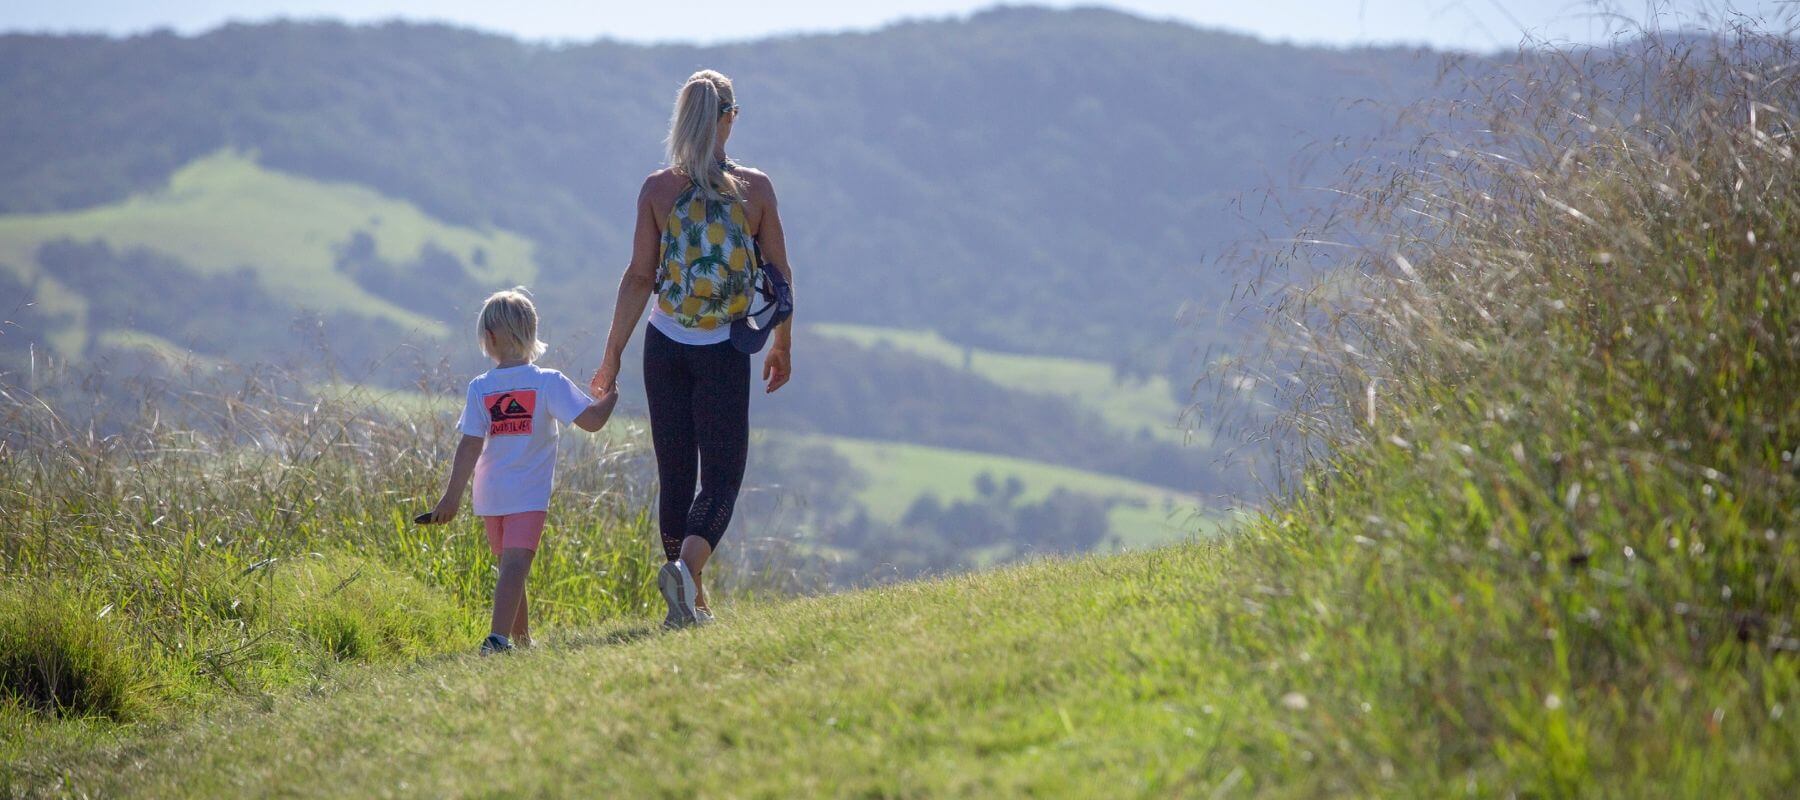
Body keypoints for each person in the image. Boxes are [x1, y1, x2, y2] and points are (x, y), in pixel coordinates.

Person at [590, 69, 795, 629]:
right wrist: (782, 343)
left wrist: (611, 356)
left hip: (664, 345)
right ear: (728, 118)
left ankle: (689, 603)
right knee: (723, 475)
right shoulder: (755, 189)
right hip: (724, 348)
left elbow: (637, 278)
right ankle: (687, 572)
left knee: (675, 475)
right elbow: (779, 275)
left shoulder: (657, 189)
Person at [423, 287, 619, 654]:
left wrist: (451, 498)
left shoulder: (480, 387)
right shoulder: (548, 381)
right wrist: (611, 399)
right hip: (527, 495)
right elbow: (592, 422)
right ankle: (498, 640)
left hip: (491, 494)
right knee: (515, 567)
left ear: (490, 337)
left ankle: (522, 641)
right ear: (531, 332)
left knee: (510, 568)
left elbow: (470, 445)